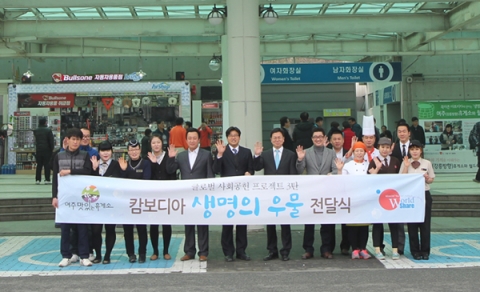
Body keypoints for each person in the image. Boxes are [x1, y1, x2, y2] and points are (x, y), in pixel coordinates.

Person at [166, 128, 214, 262]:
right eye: (189, 138)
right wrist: (170, 157)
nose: (192, 140)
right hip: (186, 196)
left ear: (199, 140)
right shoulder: (180, 156)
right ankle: (189, 251)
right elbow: (170, 170)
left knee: (203, 225)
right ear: (186, 140)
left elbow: (210, 174)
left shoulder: (206, 155)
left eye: (194, 138)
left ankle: (203, 252)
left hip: (202, 195)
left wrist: (210, 194)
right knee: (188, 224)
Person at [51, 128, 93, 267]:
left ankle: (84, 256)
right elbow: (55, 179)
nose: (75, 142)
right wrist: (54, 197)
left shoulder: (85, 155)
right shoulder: (59, 156)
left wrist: (70, 171)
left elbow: (88, 171)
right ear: (67, 140)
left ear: (81, 141)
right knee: (65, 227)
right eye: (73, 139)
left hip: (81, 197)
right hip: (64, 198)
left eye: (78, 139)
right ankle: (65, 255)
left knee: (82, 227)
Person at [253, 128, 297, 261]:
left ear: (283, 139)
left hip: (284, 194)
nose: (277, 140)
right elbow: (257, 167)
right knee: (270, 223)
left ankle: (285, 251)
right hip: (270, 194)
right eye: (274, 138)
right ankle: (272, 250)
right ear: (271, 140)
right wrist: (256, 155)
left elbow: (293, 174)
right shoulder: (265, 154)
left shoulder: (290, 154)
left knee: (285, 223)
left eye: (279, 137)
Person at [296, 128, 338, 260]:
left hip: (327, 191)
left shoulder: (331, 153)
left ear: (325, 138)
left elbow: (336, 169)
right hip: (311, 191)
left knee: (327, 223)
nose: (318, 139)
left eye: (320, 136)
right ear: (312, 139)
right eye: (315, 137)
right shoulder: (306, 152)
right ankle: (308, 249)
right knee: (309, 223)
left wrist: (331, 174)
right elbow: (299, 170)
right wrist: (300, 159)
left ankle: (326, 249)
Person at [214, 126, 254, 262]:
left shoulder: (246, 152)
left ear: (239, 137)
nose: (233, 137)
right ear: (227, 138)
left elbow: (251, 169)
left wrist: (249, 173)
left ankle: (241, 251)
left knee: (242, 223)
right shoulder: (222, 152)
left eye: (236, 135)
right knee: (227, 224)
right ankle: (228, 252)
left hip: (242, 193)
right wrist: (219, 155)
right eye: (231, 135)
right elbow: (216, 170)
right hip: (227, 193)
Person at [335, 141, 371, 260]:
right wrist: (339, 170)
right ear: (353, 152)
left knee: (364, 225)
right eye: (357, 151)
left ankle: (363, 248)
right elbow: (341, 182)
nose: (359, 153)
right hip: (351, 198)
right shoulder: (348, 165)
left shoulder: (368, 164)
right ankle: (355, 248)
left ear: (365, 153)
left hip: (364, 198)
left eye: (361, 151)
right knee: (352, 225)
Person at [400, 140, 435, 260]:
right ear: (409, 151)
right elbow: (401, 179)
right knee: (412, 225)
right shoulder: (406, 162)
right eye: (412, 149)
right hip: (411, 196)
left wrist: (427, 178)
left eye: (417, 149)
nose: (414, 152)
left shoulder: (427, 163)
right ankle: (415, 251)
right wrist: (405, 166)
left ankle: (425, 251)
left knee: (425, 225)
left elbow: (431, 179)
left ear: (421, 150)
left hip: (424, 194)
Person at [368, 137, 401, 260]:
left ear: (391, 148)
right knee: (378, 223)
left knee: (394, 224)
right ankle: (377, 249)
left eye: (387, 147)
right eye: (382, 147)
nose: (385, 150)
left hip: (392, 197)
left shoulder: (395, 161)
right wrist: (377, 168)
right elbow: (369, 178)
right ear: (378, 148)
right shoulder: (373, 161)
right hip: (378, 198)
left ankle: (395, 250)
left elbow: (400, 178)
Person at [118, 140, 152, 263]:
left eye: (136, 149)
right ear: (128, 151)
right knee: (128, 230)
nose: (134, 152)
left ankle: (142, 253)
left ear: (140, 150)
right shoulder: (124, 164)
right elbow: (121, 184)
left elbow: (146, 181)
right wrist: (123, 170)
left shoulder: (145, 163)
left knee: (142, 229)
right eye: (131, 150)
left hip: (141, 202)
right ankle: (131, 254)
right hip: (127, 203)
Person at [89, 141, 121, 264]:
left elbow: (121, 183)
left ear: (112, 152)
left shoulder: (116, 165)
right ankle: (98, 255)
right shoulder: (94, 164)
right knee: (96, 231)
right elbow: (88, 182)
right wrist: (94, 169)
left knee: (110, 229)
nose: (105, 153)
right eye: (103, 151)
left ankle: (107, 255)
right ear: (99, 152)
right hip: (96, 204)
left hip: (111, 204)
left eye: (108, 150)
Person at [147, 135, 176, 261]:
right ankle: (155, 251)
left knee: (166, 224)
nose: (156, 145)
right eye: (154, 143)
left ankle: (166, 251)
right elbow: (148, 177)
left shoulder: (169, 155)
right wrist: (153, 164)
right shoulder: (147, 158)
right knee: (153, 225)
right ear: (150, 145)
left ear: (162, 143)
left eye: (158, 142)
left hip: (166, 196)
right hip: (153, 196)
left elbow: (171, 173)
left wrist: (171, 158)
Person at [33, 117, 54, 185]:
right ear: (45, 122)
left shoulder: (36, 130)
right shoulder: (48, 130)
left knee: (39, 165)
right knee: (47, 165)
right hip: (47, 150)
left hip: (38, 149)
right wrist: (52, 149)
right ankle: (47, 179)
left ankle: (38, 180)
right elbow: (51, 141)